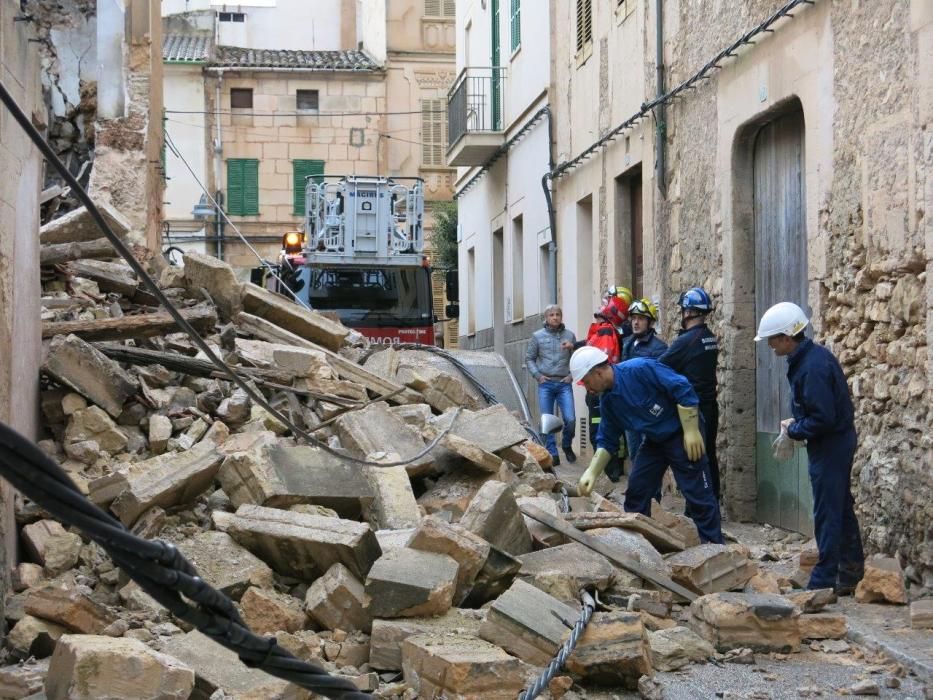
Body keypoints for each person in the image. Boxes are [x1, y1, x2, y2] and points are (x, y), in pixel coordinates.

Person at [755, 302, 864, 594]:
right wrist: (800, 422)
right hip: (834, 441)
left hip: (831, 444)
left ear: (787, 337)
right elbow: (820, 412)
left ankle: (823, 581)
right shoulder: (810, 360)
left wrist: (795, 429)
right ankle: (851, 571)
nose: (770, 346)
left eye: (772, 339)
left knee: (828, 511)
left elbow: (823, 418)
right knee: (839, 506)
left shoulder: (812, 367)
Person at [571, 346, 724, 544]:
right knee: (637, 491)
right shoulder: (609, 401)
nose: (586, 387)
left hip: (681, 432)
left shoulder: (639, 369)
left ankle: (715, 547)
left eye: (586, 381)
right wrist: (592, 471)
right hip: (654, 440)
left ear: (597, 372)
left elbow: (681, 387)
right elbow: (607, 438)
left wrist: (691, 430)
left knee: (698, 494)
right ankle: (641, 546)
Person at [659, 287, 721, 499]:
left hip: (693, 409)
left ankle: (697, 506)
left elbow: (661, 366)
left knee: (694, 458)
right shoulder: (709, 337)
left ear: (687, 312)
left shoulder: (686, 341)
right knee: (709, 454)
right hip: (711, 404)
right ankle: (712, 499)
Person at [576, 292, 631, 480]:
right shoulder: (603, 330)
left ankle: (610, 473)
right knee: (602, 429)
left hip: (600, 390)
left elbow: (599, 359)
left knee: (600, 431)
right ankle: (610, 471)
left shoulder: (606, 331)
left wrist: (592, 384)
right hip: (598, 388)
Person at [526, 304, 577, 465]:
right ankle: (553, 453)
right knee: (547, 421)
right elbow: (529, 358)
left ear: (561, 317)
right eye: (551, 315)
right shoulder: (537, 336)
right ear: (546, 318)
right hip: (546, 384)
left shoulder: (570, 335)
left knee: (570, 419)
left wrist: (571, 375)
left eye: (557, 314)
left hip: (564, 384)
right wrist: (538, 376)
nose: (555, 317)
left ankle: (567, 444)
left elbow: (576, 358)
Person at [622, 298, 668, 466]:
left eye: (640, 318)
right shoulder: (627, 344)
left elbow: (663, 381)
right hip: (630, 409)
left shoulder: (659, 348)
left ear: (650, 322)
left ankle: (654, 493)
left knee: (649, 456)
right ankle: (639, 491)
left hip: (649, 411)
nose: (636, 322)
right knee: (634, 454)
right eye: (633, 318)